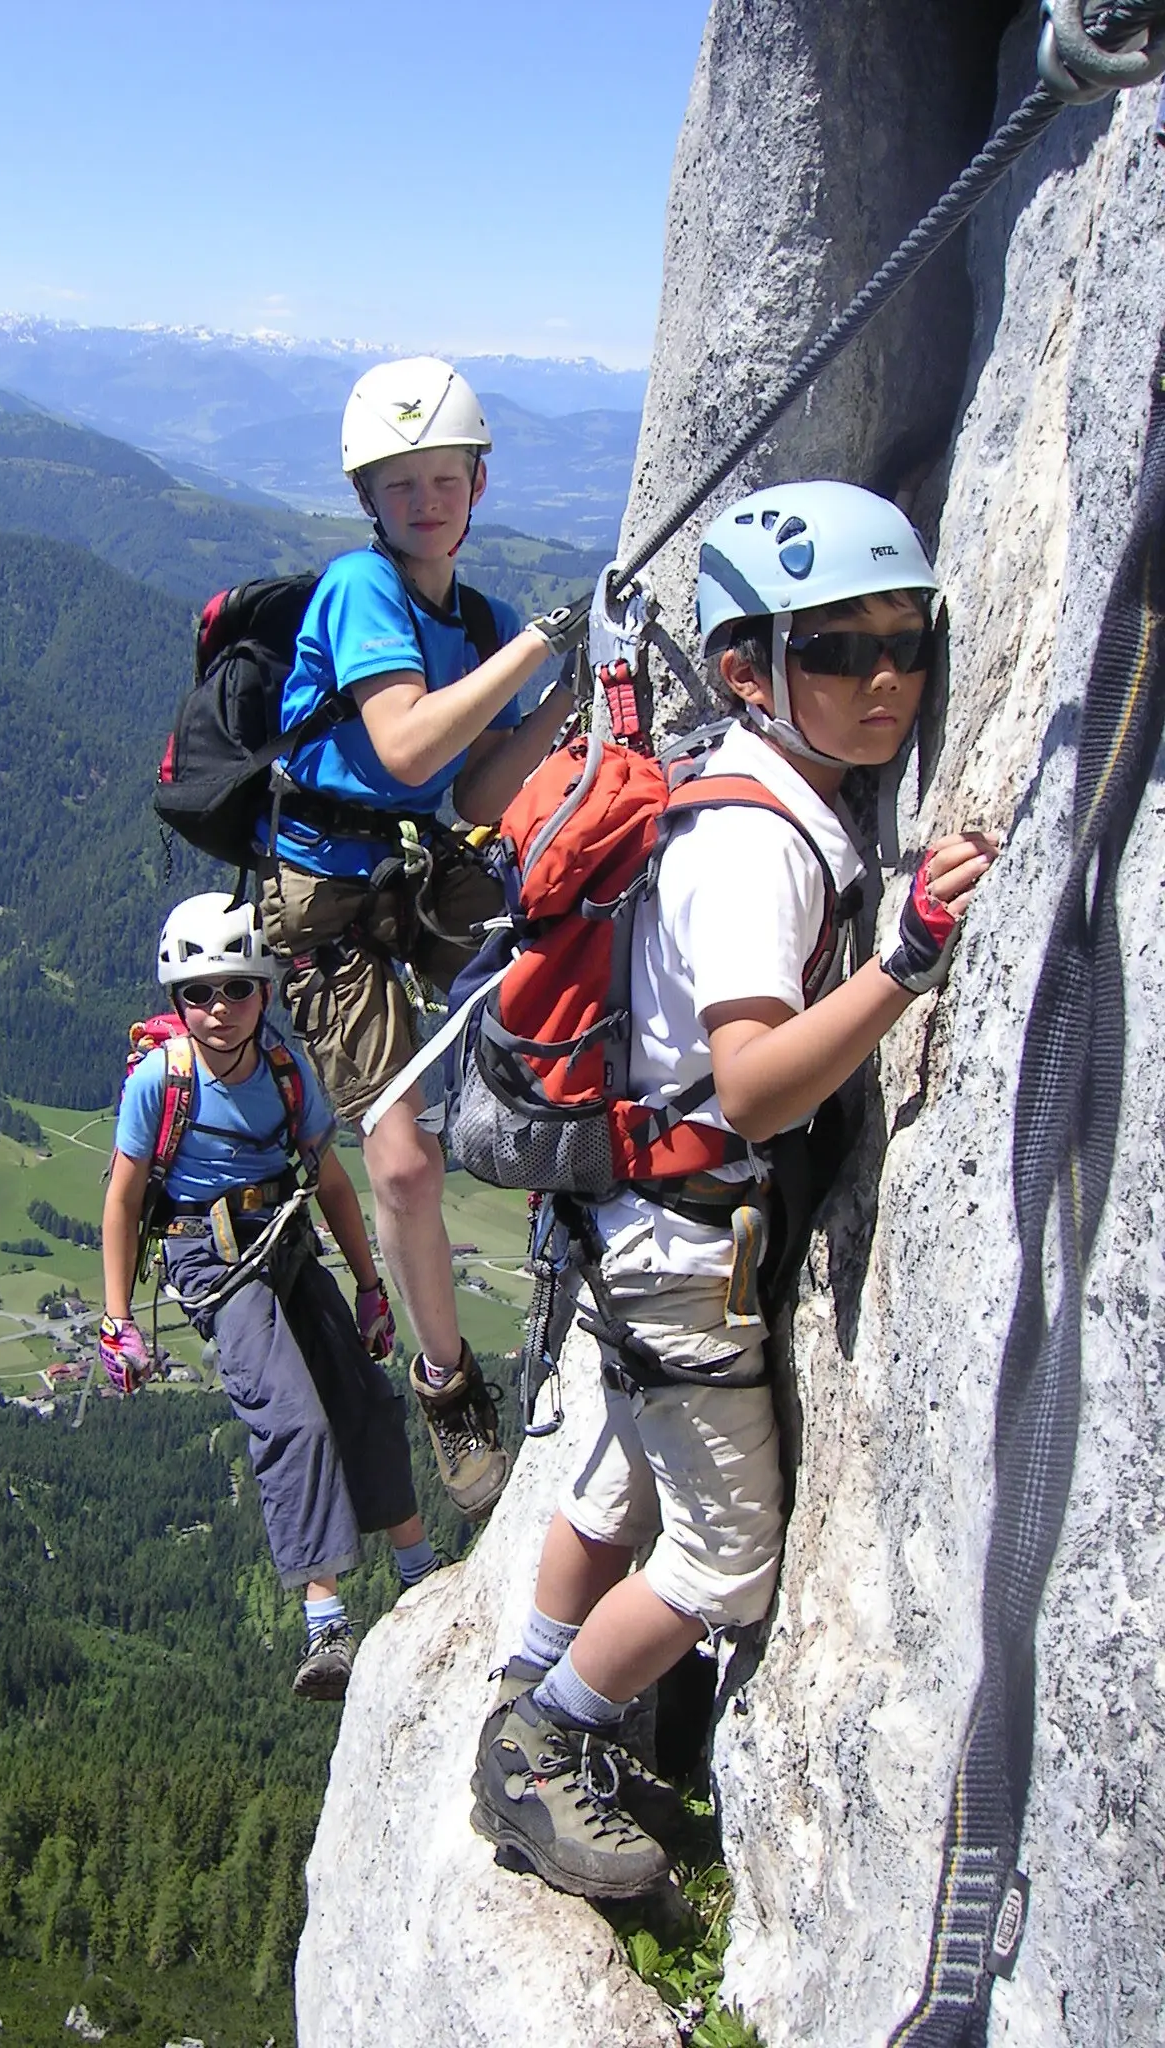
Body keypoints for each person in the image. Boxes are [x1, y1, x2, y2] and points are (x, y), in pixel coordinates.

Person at [470, 480, 1001, 1898]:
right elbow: (757, 1085)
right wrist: (910, 958)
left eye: (907, 643)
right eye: (837, 648)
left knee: (618, 1473)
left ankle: (528, 1678)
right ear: (751, 671)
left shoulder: (757, 789)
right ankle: (544, 1741)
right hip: (683, 1240)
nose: (886, 679)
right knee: (722, 1560)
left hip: (637, 1217)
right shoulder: (759, 844)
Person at [256, 356, 586, 1522]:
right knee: (400, 1162)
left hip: (415, 865)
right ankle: (447, 1387)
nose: (426, 502)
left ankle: (584, 1193)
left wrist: (570, 697)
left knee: (560, 975)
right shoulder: (362, 588)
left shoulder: (478, 620)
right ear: (368, 499)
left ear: (478, 485)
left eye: (445, 479)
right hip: (326, 902)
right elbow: (404, 747)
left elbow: (480, 786)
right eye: (402, 484)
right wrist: (536, 652)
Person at [100, 892, 439, 1702]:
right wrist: (117, 1320)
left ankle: (419, 1568)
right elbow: (123, 1199)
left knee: (364, 1397)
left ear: (263, 990)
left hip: (283, 1239)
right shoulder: (161, 1081)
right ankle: (326, 1625)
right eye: (198, 994)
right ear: (177, 999)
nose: (218, 1008)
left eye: (237, 989)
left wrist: (368, 1288)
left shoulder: (286, 1073)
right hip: (210, 1257)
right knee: (292, 1417)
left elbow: (332, 1183)